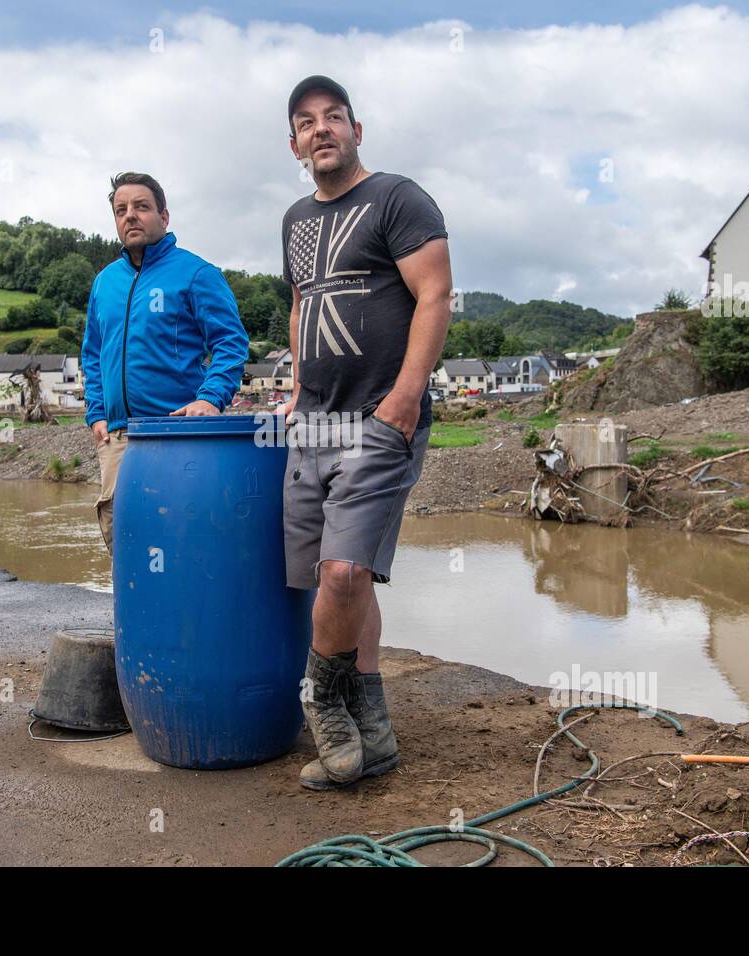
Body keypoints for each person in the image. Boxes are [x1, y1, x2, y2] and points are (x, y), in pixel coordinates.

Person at [280, 76, 453, 790]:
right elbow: (299, 301)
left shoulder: (398, 199)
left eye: (333, 118)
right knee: (338, 574)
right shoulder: (293, 218)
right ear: (293, 142)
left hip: (380, 417)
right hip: (313, 420)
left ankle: (319, 696)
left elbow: (435, 293)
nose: (321, 130)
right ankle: (373, 732)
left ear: (356, 129)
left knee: (344, 571)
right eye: (306, 122)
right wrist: (294, 384)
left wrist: (406, 398)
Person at [82, 172, 248, 552]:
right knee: (124, 541)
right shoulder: (104, 282)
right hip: (119, 436)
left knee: (182, 541)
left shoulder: (196, 273)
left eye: (141, 207)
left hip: (178, 436)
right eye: (121, 210)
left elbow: (230, 341)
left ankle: (189, 614)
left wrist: (210, 398)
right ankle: (136, 614)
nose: (131, 216)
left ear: (164, 216)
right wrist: (96, 414)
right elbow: (92, 353)